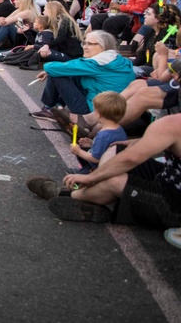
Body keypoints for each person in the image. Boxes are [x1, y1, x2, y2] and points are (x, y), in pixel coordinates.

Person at [25, 112, 181, 228]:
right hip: (166, 176)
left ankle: (70, 194)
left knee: (115, 180)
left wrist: (91, 178)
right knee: (117, 148)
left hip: (175, 203)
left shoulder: (172, 124)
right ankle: (94, 195)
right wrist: (138, 141)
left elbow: (131, 159)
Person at [31, 30, 135, 130]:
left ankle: (48, 109)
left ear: (103, 47)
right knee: (70, 72)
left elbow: (52, 67)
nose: (85, 47)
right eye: (84, 43)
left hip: (94, 111)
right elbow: (74, 65)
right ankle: (58, 107)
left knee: (56, 73)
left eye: (90, 44)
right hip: (112, 109)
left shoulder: (97, 63)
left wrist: (49, 70)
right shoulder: (114, 59)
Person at [69, 91, 128, 174]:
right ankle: (85, 169)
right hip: (111, 165)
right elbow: (106, 147)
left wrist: (78, 151)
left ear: (98, 114)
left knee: (75, 179)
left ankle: (87, 172)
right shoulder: (118, 129)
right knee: (82, 146)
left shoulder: (104, 135)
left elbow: (96, 158)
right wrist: (92, 143)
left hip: (100, 169)